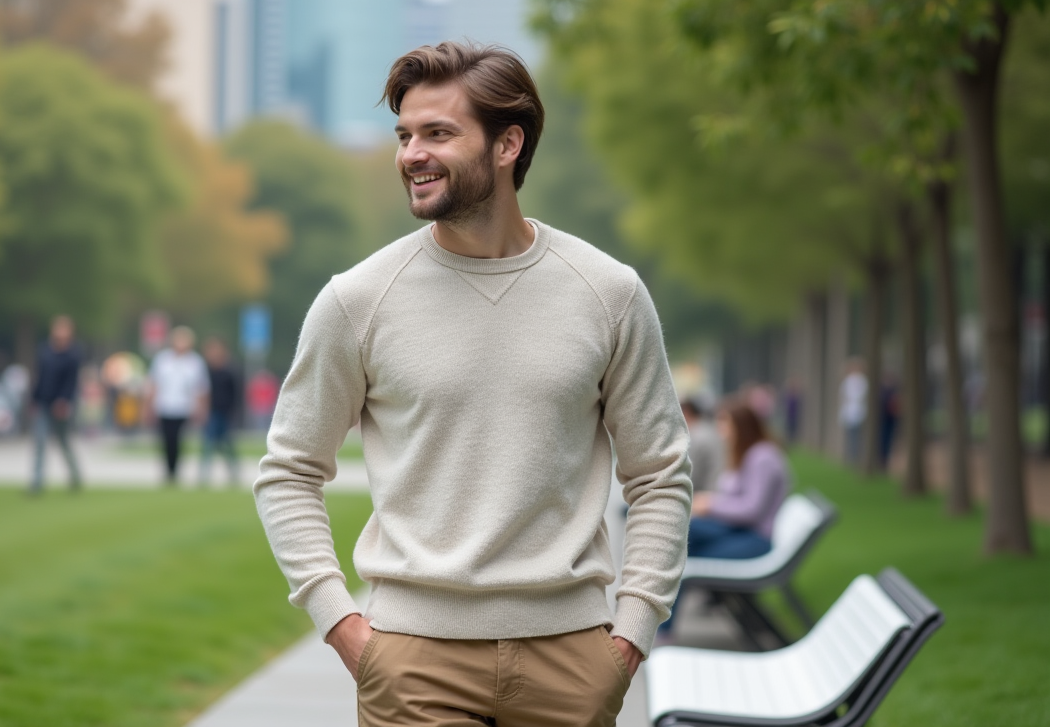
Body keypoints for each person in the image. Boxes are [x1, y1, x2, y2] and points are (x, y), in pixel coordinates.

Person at [253, 42, 692, 727]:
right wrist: (342, 626)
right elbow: (289, 470)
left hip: (572, 660)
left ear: (507, 144)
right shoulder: (358, 300)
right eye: (404, 135)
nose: (410, 154)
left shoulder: (609, 293)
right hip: (411, 664)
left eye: (437, 133)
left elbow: (660, 473)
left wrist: (632, 633)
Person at [658, 401, 791, 640]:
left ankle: (663, 628)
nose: (720, 428)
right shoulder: (750, 453)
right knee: (682, 535)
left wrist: (711, 505)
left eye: (724, 421)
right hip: (742, 532)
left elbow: (752, 510)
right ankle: (663, 625)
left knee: (683, 543)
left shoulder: (762, 457)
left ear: (742, 424)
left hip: (755, 540)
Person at [146, 326, 208, 485]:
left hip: (184, 407)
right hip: (164, 406)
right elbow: (154, 384)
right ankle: (168, 470)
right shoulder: (162, 360)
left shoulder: (195, 362)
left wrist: (201, 408)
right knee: (166, 440)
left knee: (178, 440)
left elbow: (200, 388)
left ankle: (175, 470)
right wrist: (148, 406)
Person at [29, 315, 83, 494]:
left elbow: (71, 382)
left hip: (61, 405)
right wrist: (34, 399)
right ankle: (37, 482)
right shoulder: (45, 351)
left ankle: (75, 476)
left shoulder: (73, 355)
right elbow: (40, 377)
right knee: (40, 441)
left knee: (64, 441)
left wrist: (64, 400)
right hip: (44, 402)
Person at [199, 337, 240, 487]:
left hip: (224, 412)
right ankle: (204, 474)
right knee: (208, 444)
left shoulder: (229, 371)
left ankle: (233, 472)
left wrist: (233, 412)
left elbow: (235, 394)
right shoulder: (205, 371)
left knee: (226, 444)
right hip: (211, 413)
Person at [681, 398, 725, 493]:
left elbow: (690, 475)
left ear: (686, 412)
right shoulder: (710, 429)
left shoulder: (696, 435)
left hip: (707, 497)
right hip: (719, 491)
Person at [839, 358, 868, 465]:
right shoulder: (847, 381)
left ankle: (855, 456)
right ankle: (850, 456)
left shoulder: (863, 381)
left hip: (859, 412)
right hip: (849, 412)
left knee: (856, 436)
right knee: (850, 435)